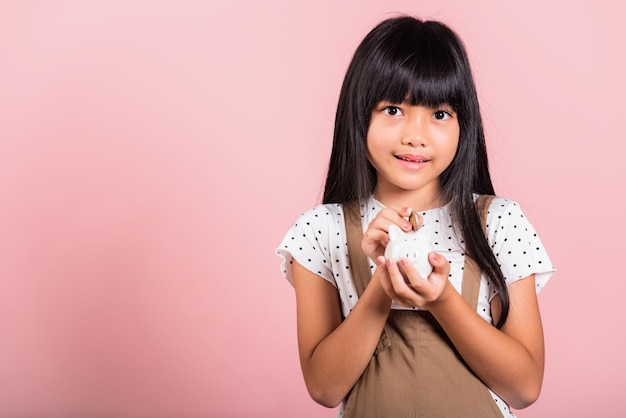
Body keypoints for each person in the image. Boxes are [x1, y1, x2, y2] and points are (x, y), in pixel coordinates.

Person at [276, 15, 555, 418]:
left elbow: (525, 388)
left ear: (465, 124)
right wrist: (380, 289)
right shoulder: (320, 230)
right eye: (393, 109)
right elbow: (324, 387)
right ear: (360, 116)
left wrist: (442, 300)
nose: (416, 135)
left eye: (439, 114)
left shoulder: (498, 222)